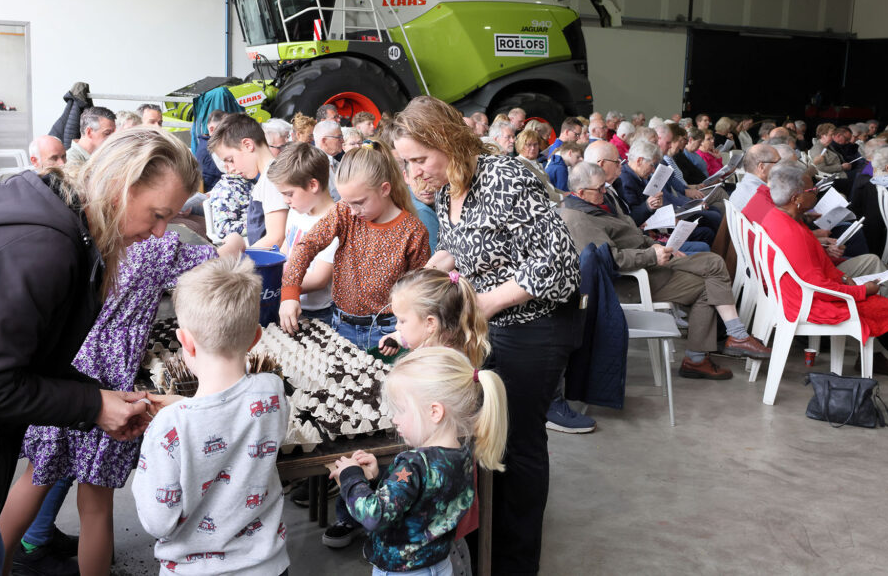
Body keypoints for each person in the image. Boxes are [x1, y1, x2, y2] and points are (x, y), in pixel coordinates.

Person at [0, 129, 196, 574]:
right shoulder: (44, 248)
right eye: (157, 214)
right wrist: (91, 405)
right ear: (119, 186)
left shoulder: (60, 229)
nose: (160, 231)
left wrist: (98, 398)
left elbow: (22, 356)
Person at [392, 96, 580, 574]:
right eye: (406, 162)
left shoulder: (504, 177)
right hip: (492, 325)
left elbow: (557, 264)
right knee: (482, 434)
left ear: (449, 142)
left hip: (535, 327)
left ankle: (516, 562)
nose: (414, 171)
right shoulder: (449, 183)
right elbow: (462, 246)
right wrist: (432, 275)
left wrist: (483, 301)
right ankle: (483, 547)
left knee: (517, 443)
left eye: (419, 159)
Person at [0, 224, 244, 574]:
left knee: (36, 477)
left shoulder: (83, 235)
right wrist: (236, 239)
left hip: (63, 368)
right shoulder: (156, 249)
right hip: (110, 383)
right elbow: (219, 260)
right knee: (96, 501)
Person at [132, 256, 290, 574]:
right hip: (268, 567)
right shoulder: (272, 391)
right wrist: (180, 404)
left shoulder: (168, 428)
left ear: (185, 342)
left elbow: (157, 521)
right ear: (256, 338)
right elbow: (233, 410)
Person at [561, 161, 771, 380]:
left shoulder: (597, 202)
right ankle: (704, 354)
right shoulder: (578, 220)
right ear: (581, 192)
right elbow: (608, 260)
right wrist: (651, 254)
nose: (605, 192)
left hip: (647, 260)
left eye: (605, 185)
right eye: (600, 189)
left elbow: (629, 232)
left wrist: (654, 247)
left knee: (713, 264)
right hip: (631, 281)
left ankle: (726, 340)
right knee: (707, 283)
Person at [761, 163, 888, 398]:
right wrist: (861, 291)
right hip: (808, 302)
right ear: (796, 197)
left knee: (885, 308)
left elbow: (814, 270)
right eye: (812, 191)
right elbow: (817, 285)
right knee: (887, 308)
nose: (817, 192)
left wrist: (844, 278)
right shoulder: (790, 230)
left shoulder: (780, 217)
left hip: (803, 293)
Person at [330, 347, 507, 576]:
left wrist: (351, 477)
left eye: (401, 410)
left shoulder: (414, 465)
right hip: (441, 565)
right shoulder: (462, 456)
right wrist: (377, 479)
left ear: (434, 412)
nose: (394, 419)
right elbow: (418, 501)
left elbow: (374, 516)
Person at [279, 140, 430, 349]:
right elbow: (308, 244)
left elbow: (419, 288)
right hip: (342, 324)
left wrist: (402, 332)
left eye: (359, 202)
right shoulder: (344, 213)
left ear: (384, 189)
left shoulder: (412, 230)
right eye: (347, 202)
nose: (352, 210)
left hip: (387, 330)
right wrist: (290, 291)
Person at [267, 143, 338, 323]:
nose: (285, 200)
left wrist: (280, 286)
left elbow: (319, 279)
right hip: (288, 298)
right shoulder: (296, 211)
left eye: (289, 193)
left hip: (318, 312)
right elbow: (286, 248)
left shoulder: (334, 222)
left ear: (313, 185)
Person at [209, 113, 289, 248]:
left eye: (230, 160)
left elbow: (276, 238)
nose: (232, 168)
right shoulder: (268, 176)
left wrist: (243, 260)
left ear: (248, 145)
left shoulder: (270, 180)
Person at [729, 144, 780, 211]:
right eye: (778, 162)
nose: (782, 166)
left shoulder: (741, 188)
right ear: (762, 167)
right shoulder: (760, 198)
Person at [515, 130, 560, 202]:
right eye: (529, 145)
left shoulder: (534, 161)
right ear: (521, 146)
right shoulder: (519, 164)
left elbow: (550, 187)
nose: (533, 148)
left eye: (535, 144)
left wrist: (565, 194)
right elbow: (540, 193)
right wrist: (562, 197)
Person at [195, 109, 227, 191]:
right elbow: (228, 171)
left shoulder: (204, 143)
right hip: (214, 193)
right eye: (224, 129)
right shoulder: (210, 148)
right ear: (212, 129)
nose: (229, 132)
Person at [314, 119, 346, 201]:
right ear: (324, 141)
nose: (343, 141)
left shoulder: (334, 160)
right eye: (339, 137)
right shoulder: (315, 165)